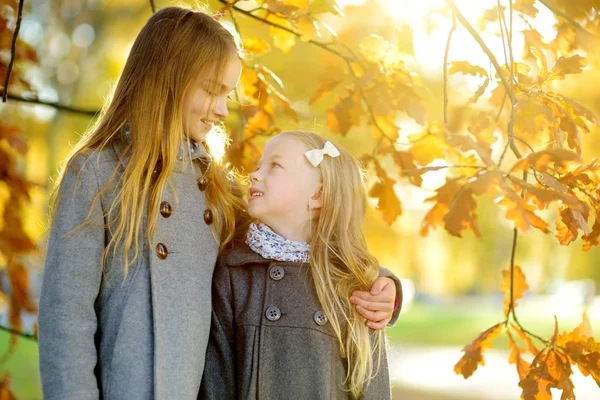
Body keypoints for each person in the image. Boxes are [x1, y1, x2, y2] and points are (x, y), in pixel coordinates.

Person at [38, 7, 399, 400]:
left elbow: (294, 242)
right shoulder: (97, 173)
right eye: (212, 90)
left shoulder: (214, 187)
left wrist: (381, 284)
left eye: (227, 94)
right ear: (168, 80)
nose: (224, 110)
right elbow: (66, 323)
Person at [200, 131, 401, 399]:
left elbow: (372, 386)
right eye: (259, 165)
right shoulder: (235, 272)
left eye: (275, 166)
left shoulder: (354, 287)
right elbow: (217, 381)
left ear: (317, 196)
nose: (255, 174)